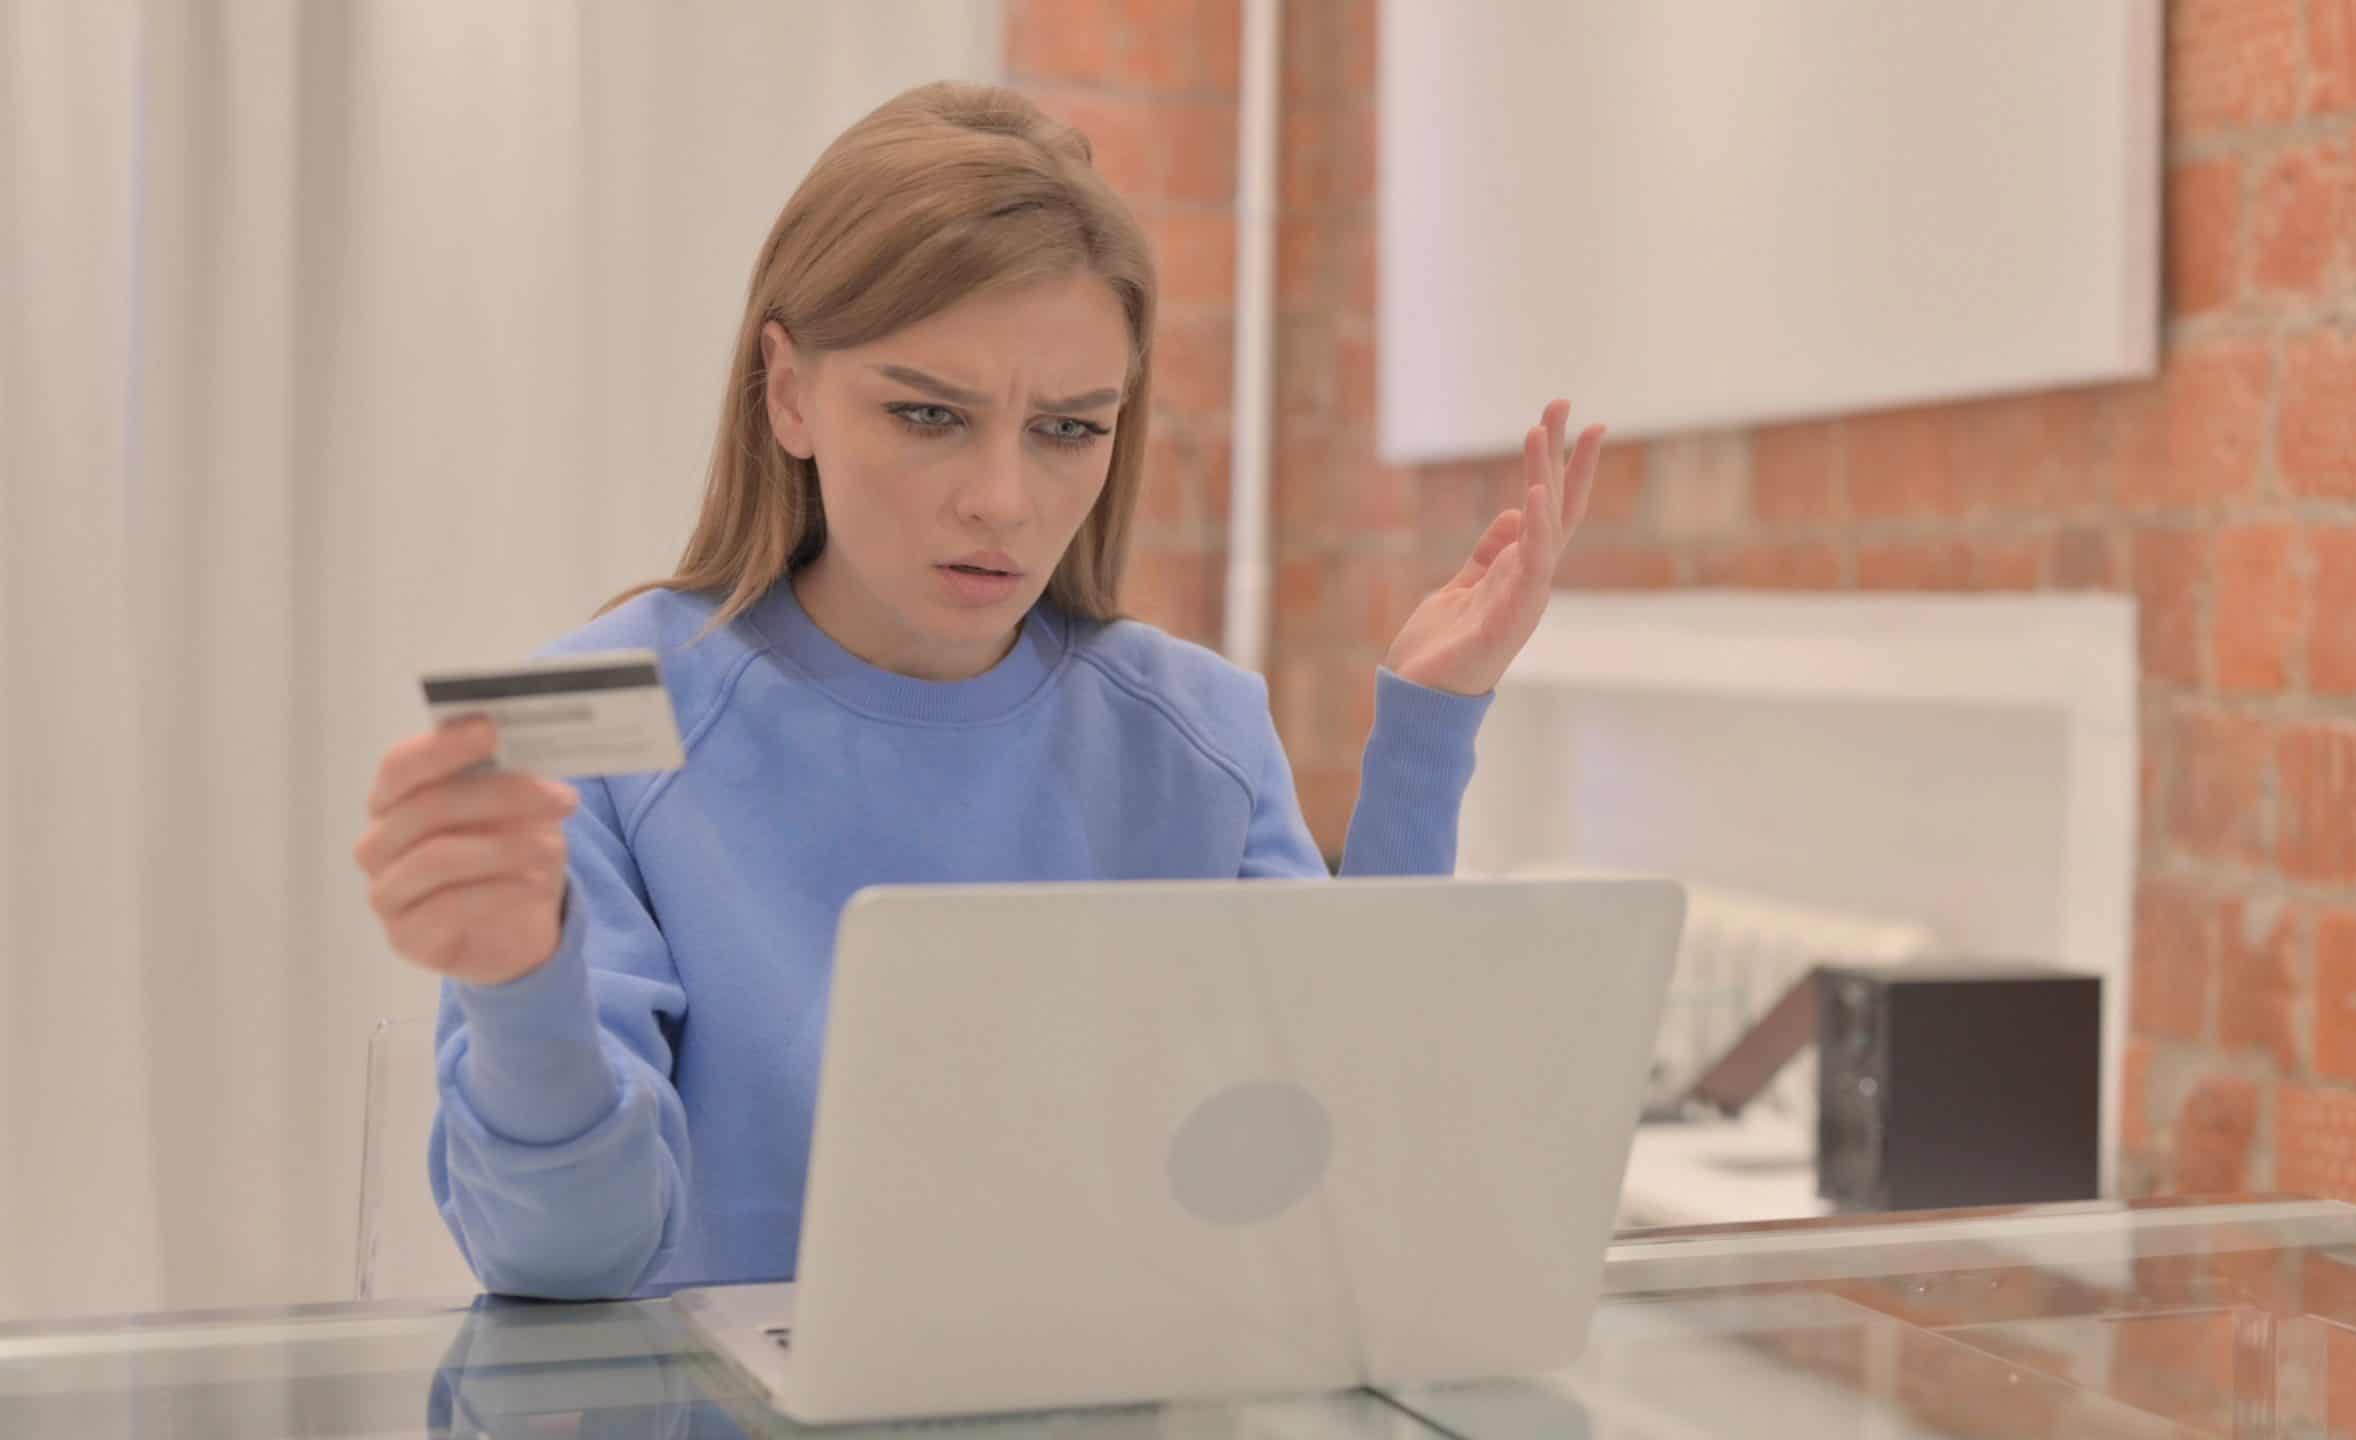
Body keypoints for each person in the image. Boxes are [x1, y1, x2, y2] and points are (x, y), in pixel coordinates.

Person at [350, 81, 1606, 1301]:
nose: (1003, 501)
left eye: (1069, 429)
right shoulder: (597, 717)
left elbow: (1338, 1185)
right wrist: (524, 990)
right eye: (928, 414)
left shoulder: (1201, 732)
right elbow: (567, 1262)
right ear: (787, 392)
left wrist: (1425, 740)